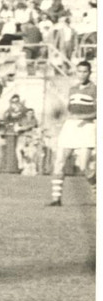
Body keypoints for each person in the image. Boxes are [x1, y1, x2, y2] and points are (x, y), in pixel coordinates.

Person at [48, 60, 96, 206]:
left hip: (86, 128)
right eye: (79, 71)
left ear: (90, 73)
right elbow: (70, 110)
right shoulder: (73, 89)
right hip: (70, 127)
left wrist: (82, 117)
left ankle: (96, 190)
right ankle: (56, 199)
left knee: (83, 166)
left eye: (85, 72)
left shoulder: (95, 89)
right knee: (59, 162)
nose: (81, 74)